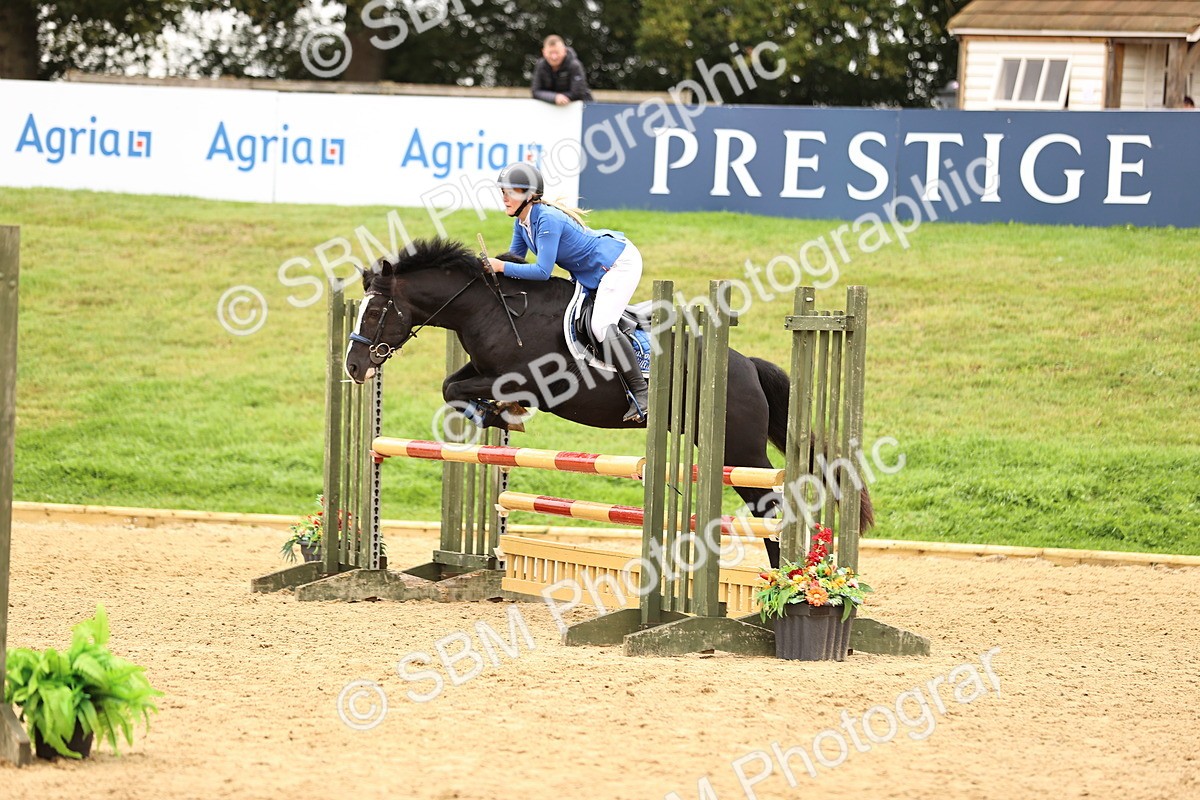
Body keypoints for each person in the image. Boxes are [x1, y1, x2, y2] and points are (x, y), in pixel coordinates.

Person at [485, 162, 647, 422]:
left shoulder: (547, 220)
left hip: (617, 264)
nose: (504, 197)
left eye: (511, 191)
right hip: (588, 272)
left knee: (600, 325)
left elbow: (542, 272)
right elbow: (515, 261)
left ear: (529, 195)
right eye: (503, 191)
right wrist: (488, 271)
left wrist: (500, 266)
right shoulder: (522, 223)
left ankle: (642, 394)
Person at [531, 35, 593, 106]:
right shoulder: (540, 65)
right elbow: (535, 91)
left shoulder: (575, 65)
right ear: (543, 52)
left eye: (557, 52)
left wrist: (558, 98)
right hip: (551, 109)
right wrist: (554, 97)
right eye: (550, 53)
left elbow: (577, 93)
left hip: (581, 108)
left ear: (564, 51)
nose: (554, 57)